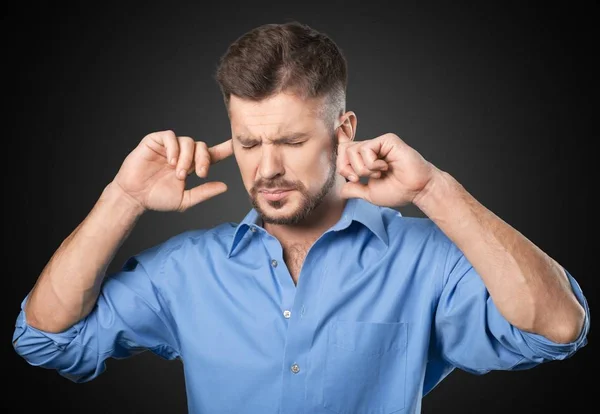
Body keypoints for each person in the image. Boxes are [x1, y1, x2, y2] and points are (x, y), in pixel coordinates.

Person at [12, 21, 590, 414]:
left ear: (344, 131)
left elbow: (558, 328)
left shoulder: (424, 261)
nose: (266, 168)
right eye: (247, 143)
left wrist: (435, 190)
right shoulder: (187, 270)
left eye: (290, 140)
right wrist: (124, 197)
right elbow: (45, 339)